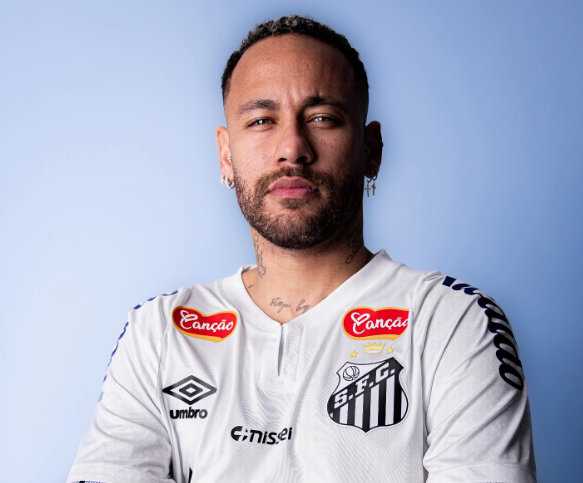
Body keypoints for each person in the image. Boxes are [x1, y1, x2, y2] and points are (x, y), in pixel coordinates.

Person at [67, 14, 536, 483]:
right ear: (226, 155)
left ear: (370, 149)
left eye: (322, 118)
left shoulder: (452, 322)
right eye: (261, 120)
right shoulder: (159, 333)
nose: (292, 148)